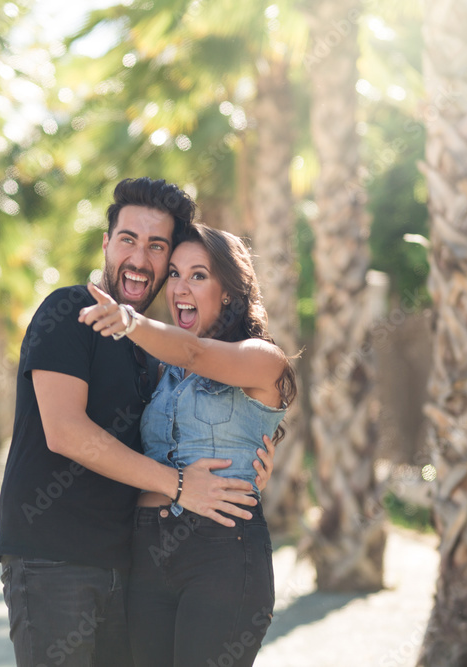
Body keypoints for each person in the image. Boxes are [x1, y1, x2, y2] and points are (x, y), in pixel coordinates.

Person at [0, 178, 276, 667]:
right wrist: (180, 484)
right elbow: (65, 432)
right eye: (128, 239)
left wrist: (248, 467)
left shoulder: (152, 357)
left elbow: (193, 425)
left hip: (128, 563)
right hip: (52, 559)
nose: (140, 258)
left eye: (157, 246)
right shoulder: (69, 311)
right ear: (106, 244)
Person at [79, 223, 296, 667]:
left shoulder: (261, 359)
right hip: (146, 551)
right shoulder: (161, 372)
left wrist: (128, 320)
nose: (180, 287)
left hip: (221, 550)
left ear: (229, 292)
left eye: (198, 275)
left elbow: (196, 353)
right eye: (175, 273)